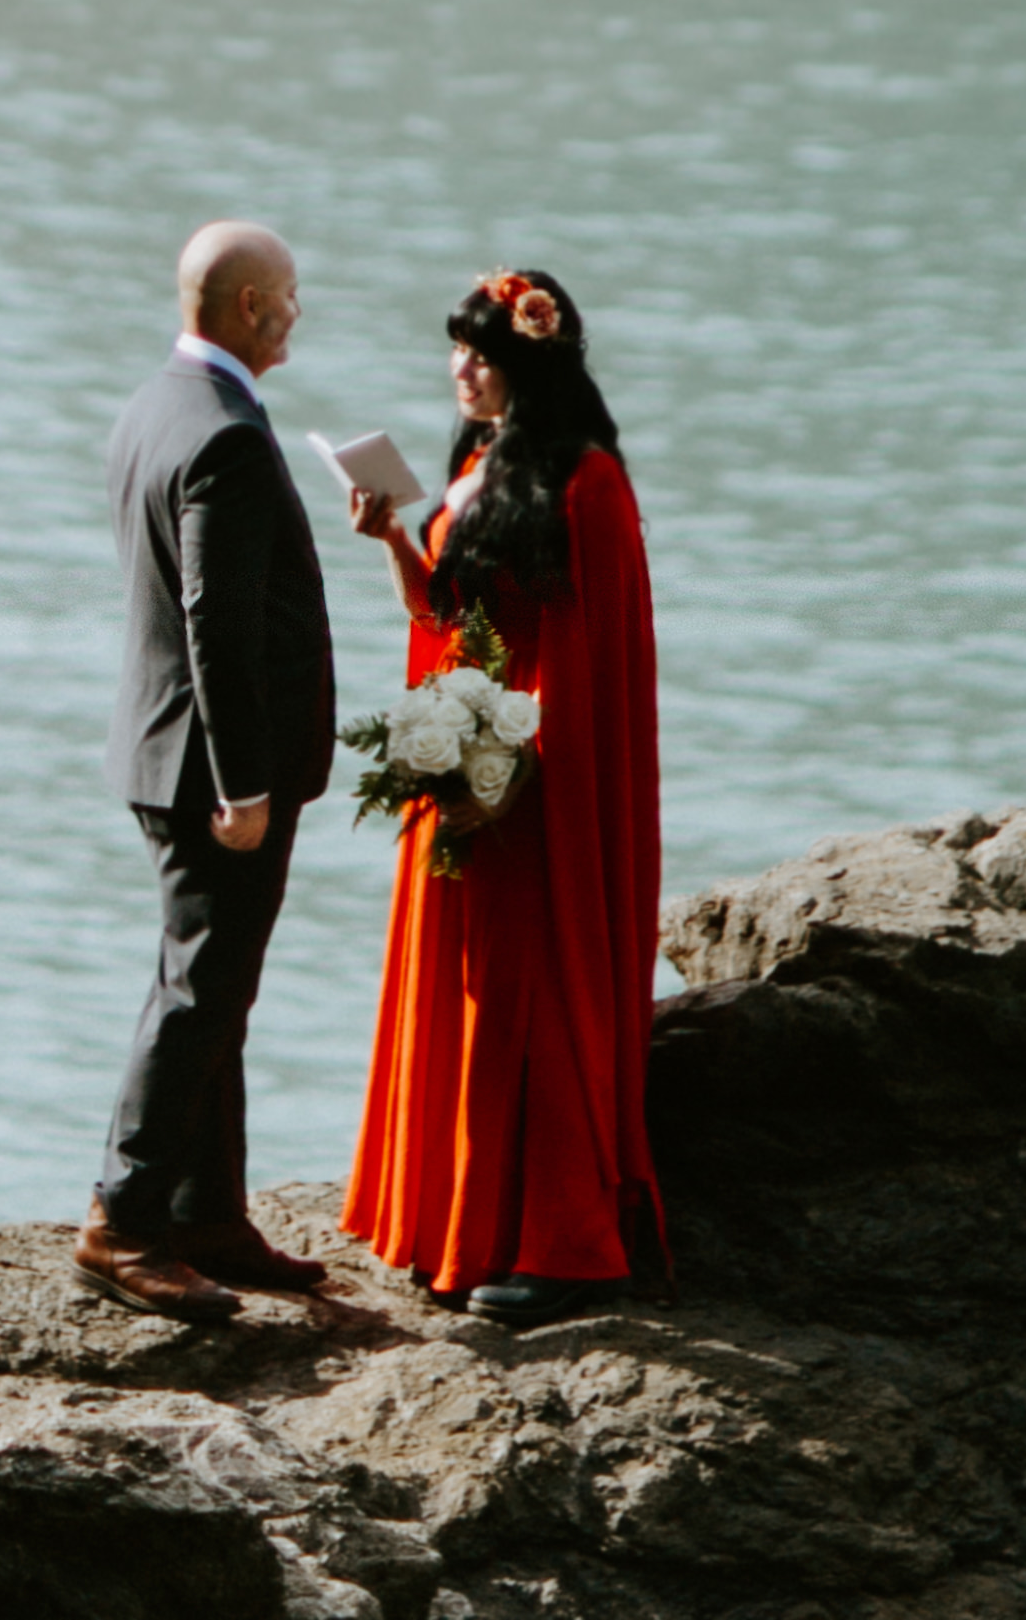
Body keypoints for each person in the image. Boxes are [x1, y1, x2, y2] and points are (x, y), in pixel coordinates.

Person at [337, 263, 665, 1324]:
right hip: (464, 776)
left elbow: (587, 660)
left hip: (536, 792)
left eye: (483, 351)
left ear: (533, 356)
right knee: (470, 1000)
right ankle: (456, 1226)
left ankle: (568, 1245)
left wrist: (510, 774)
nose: (461, 369)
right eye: (457, 348)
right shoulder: (477, 463)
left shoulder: (588, 483)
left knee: (530, 1002)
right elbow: (446, 614)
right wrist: (393, 535)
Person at [80, 217, 344, 1315]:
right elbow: (214, 621)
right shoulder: (226, 433)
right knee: (195, 989)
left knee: (216, 985)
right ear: (247, 307)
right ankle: (124, 1220)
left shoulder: (155, 401)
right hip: (210, 772)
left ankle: (208, 1211)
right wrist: (243, 783)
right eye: (287, 294)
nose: (295, 311)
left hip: (158, 746)